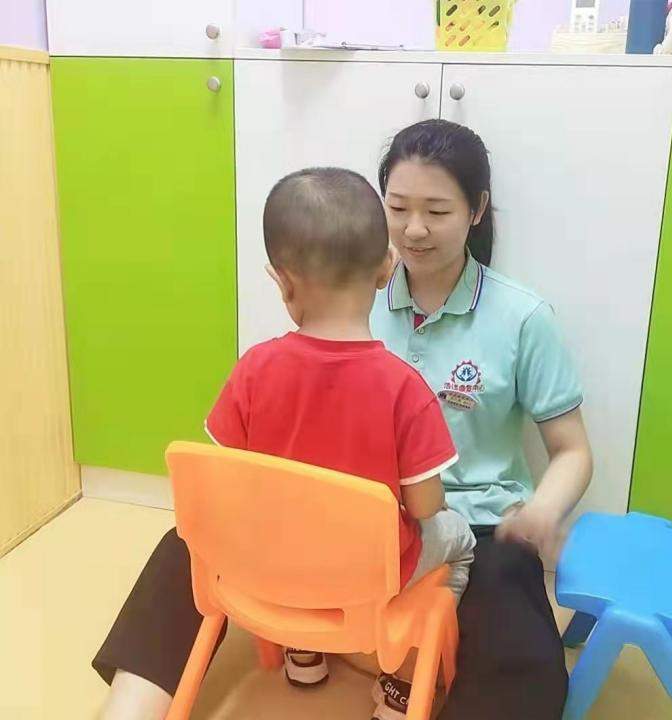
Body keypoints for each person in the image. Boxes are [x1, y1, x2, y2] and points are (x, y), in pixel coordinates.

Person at [94, 120, 593, 720]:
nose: (414, 228)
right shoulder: (344, 286)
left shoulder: (522, 317)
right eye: (398, 208)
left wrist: (540, 512)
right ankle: (130, 710)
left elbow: (572, 449)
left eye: (436, 211)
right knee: (190, 542)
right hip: (331, 516)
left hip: (470, 518)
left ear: (477, 209)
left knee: (515, 619)